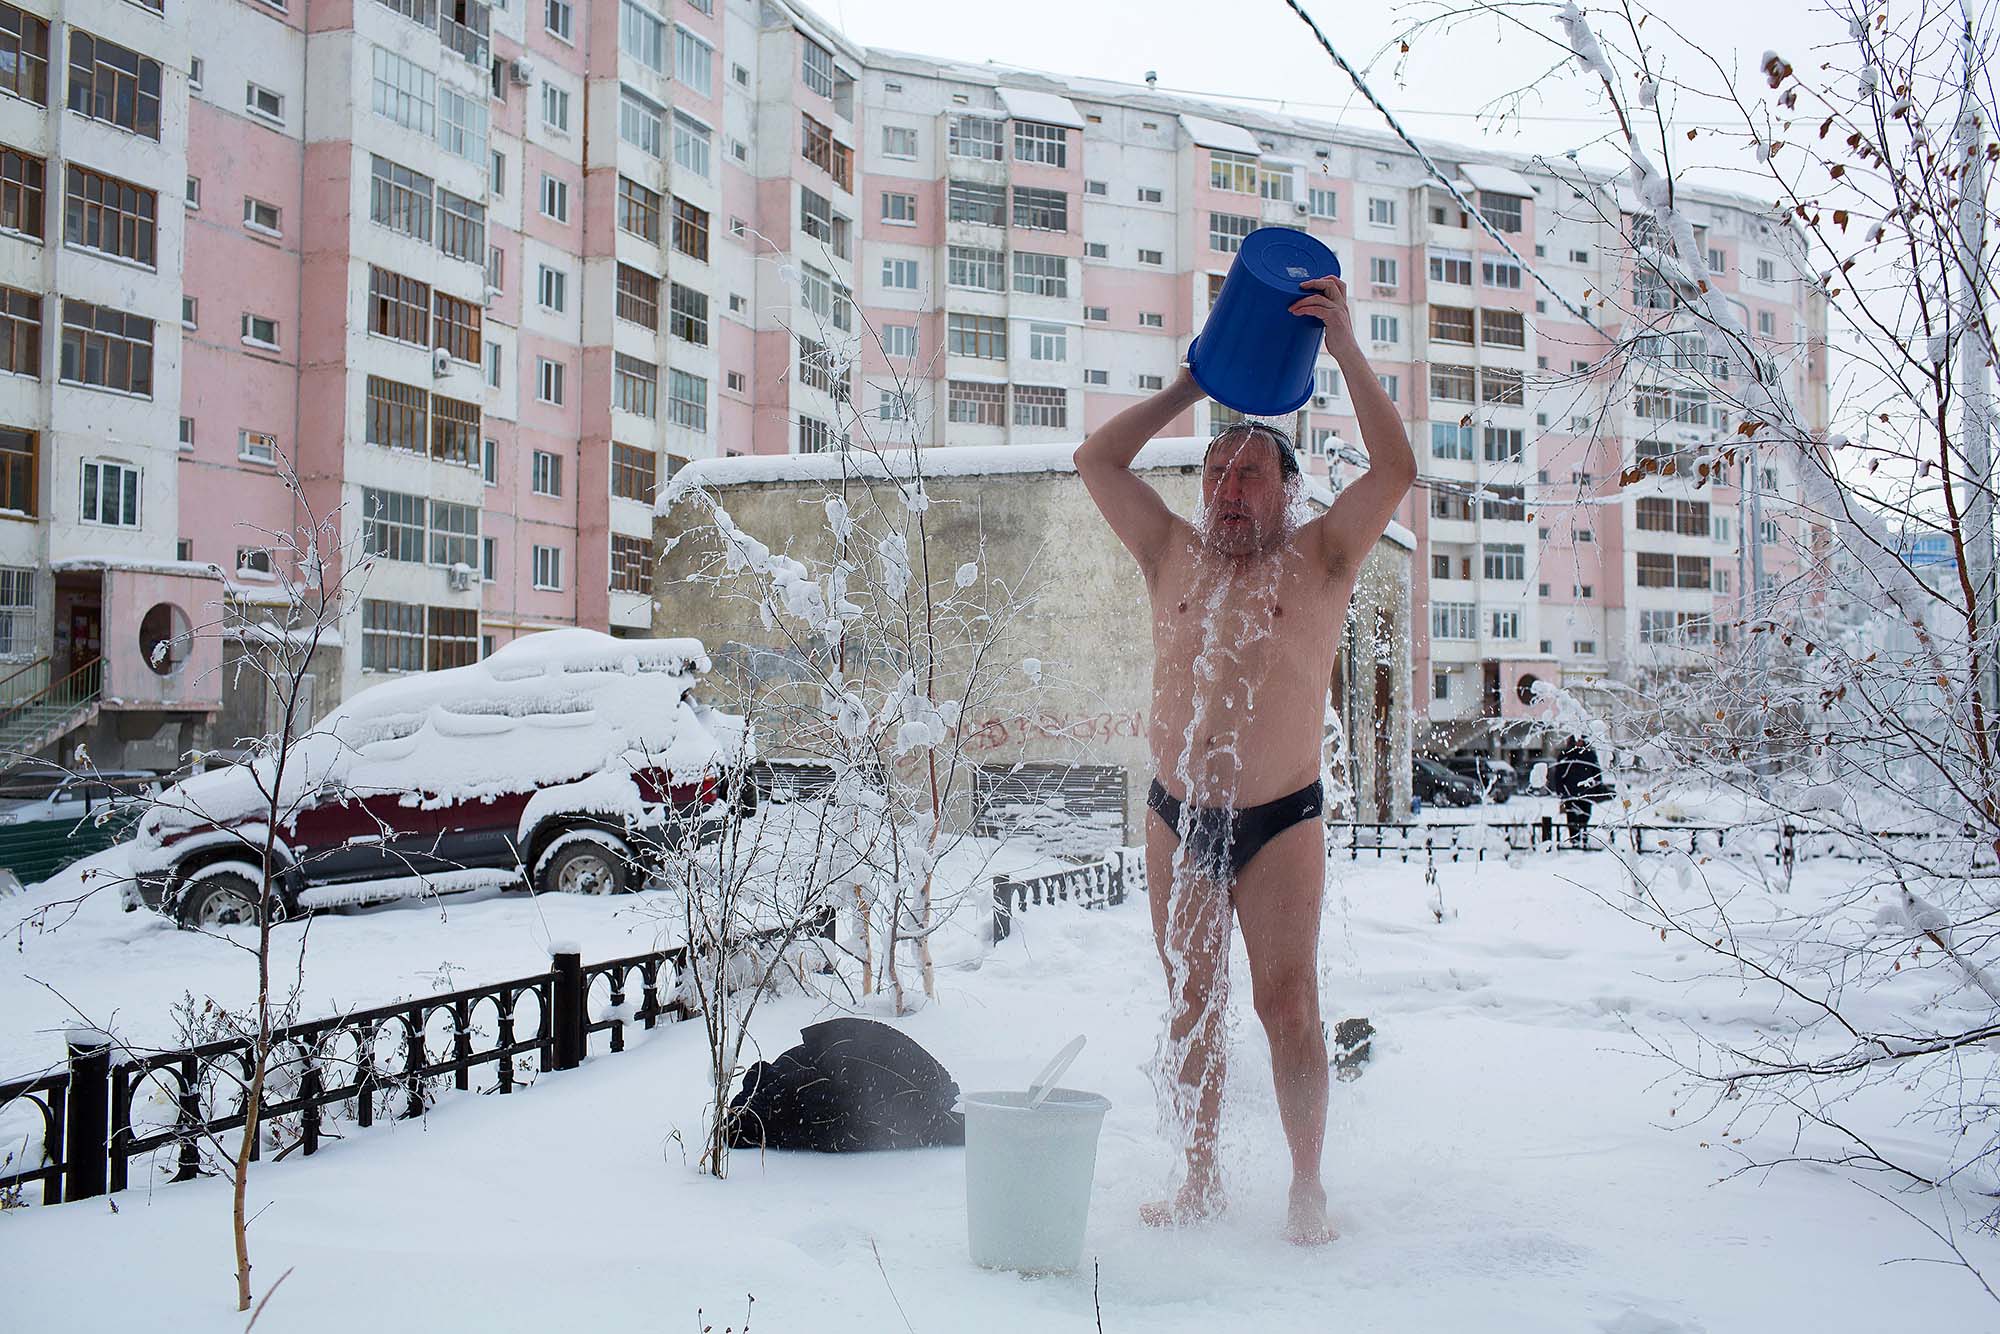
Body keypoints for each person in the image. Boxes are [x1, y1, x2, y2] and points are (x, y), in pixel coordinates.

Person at [1076, 274, 1415, 1246]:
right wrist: (1193, 385)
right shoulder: (1168, 552)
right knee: (1190, 998)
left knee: (1286, 1003)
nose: (1225, 489)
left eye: (1247, 473)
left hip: (1280, 819)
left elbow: (1394, 465)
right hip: (1175, 812)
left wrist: (1344, 348)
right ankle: (1195, 1175)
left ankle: (1306, 1184)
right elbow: (1096, 457)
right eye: (1214, 473)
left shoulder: (1322, 559)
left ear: (1287, 488)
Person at [1547, 736, 1610, 847]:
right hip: (1570, 792)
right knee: (1572, 817)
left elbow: (1596, 772)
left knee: (1585, 816)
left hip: (1586, 792)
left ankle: (1584, 837)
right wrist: (1560, 791)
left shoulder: (1589, 754)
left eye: (1581, 740)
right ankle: (1574, 840)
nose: (1578, 742)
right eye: (1577, 740)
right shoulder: (1566, 755)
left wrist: (1597, 787)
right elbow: (1558, 775)